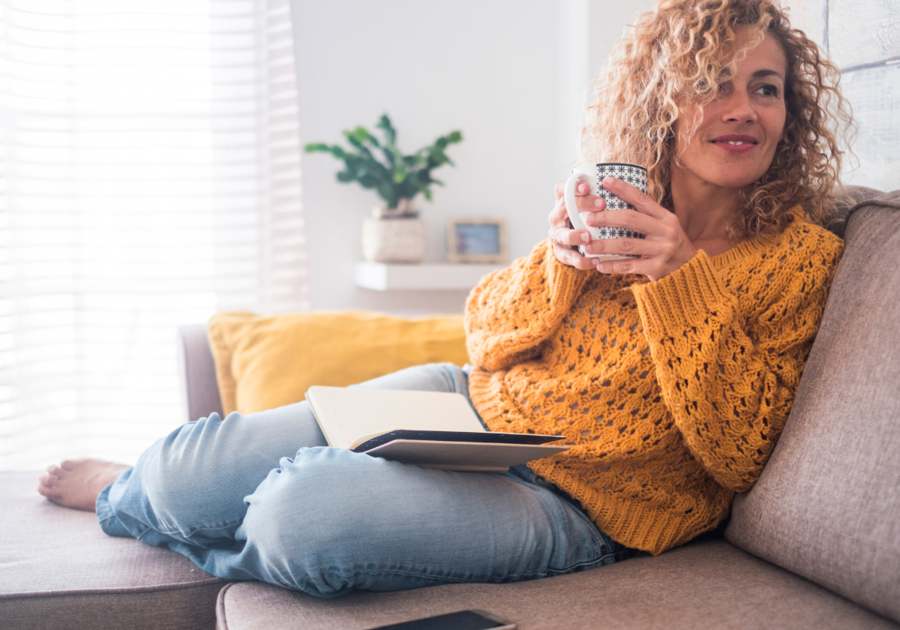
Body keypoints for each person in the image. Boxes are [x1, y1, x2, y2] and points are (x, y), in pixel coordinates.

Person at [37, 0, 850, 598]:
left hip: (586, 507)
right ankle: (135, 494)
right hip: (467, 409)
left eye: (767, 87)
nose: (743, 109)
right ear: (662, 103)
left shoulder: (802, 258)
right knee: (184, 469)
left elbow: (741, 451)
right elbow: (488, 336)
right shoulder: (612, 204)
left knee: (301, 518)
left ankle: (227, 513)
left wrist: (677, 282)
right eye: (713, 83)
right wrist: (560, 259)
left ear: (791, 111)